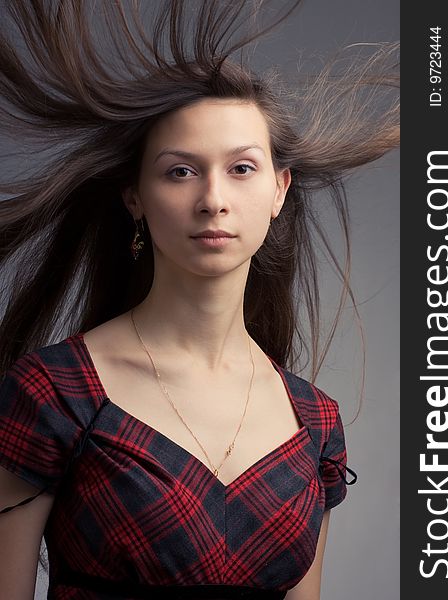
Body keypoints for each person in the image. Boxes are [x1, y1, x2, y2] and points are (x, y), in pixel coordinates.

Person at [0, 1, 397, 598]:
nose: (213, 199)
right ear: (134, 195)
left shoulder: (315, 423)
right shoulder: (52, 394)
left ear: (278, 190)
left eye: (241, 168)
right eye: (180, 172)